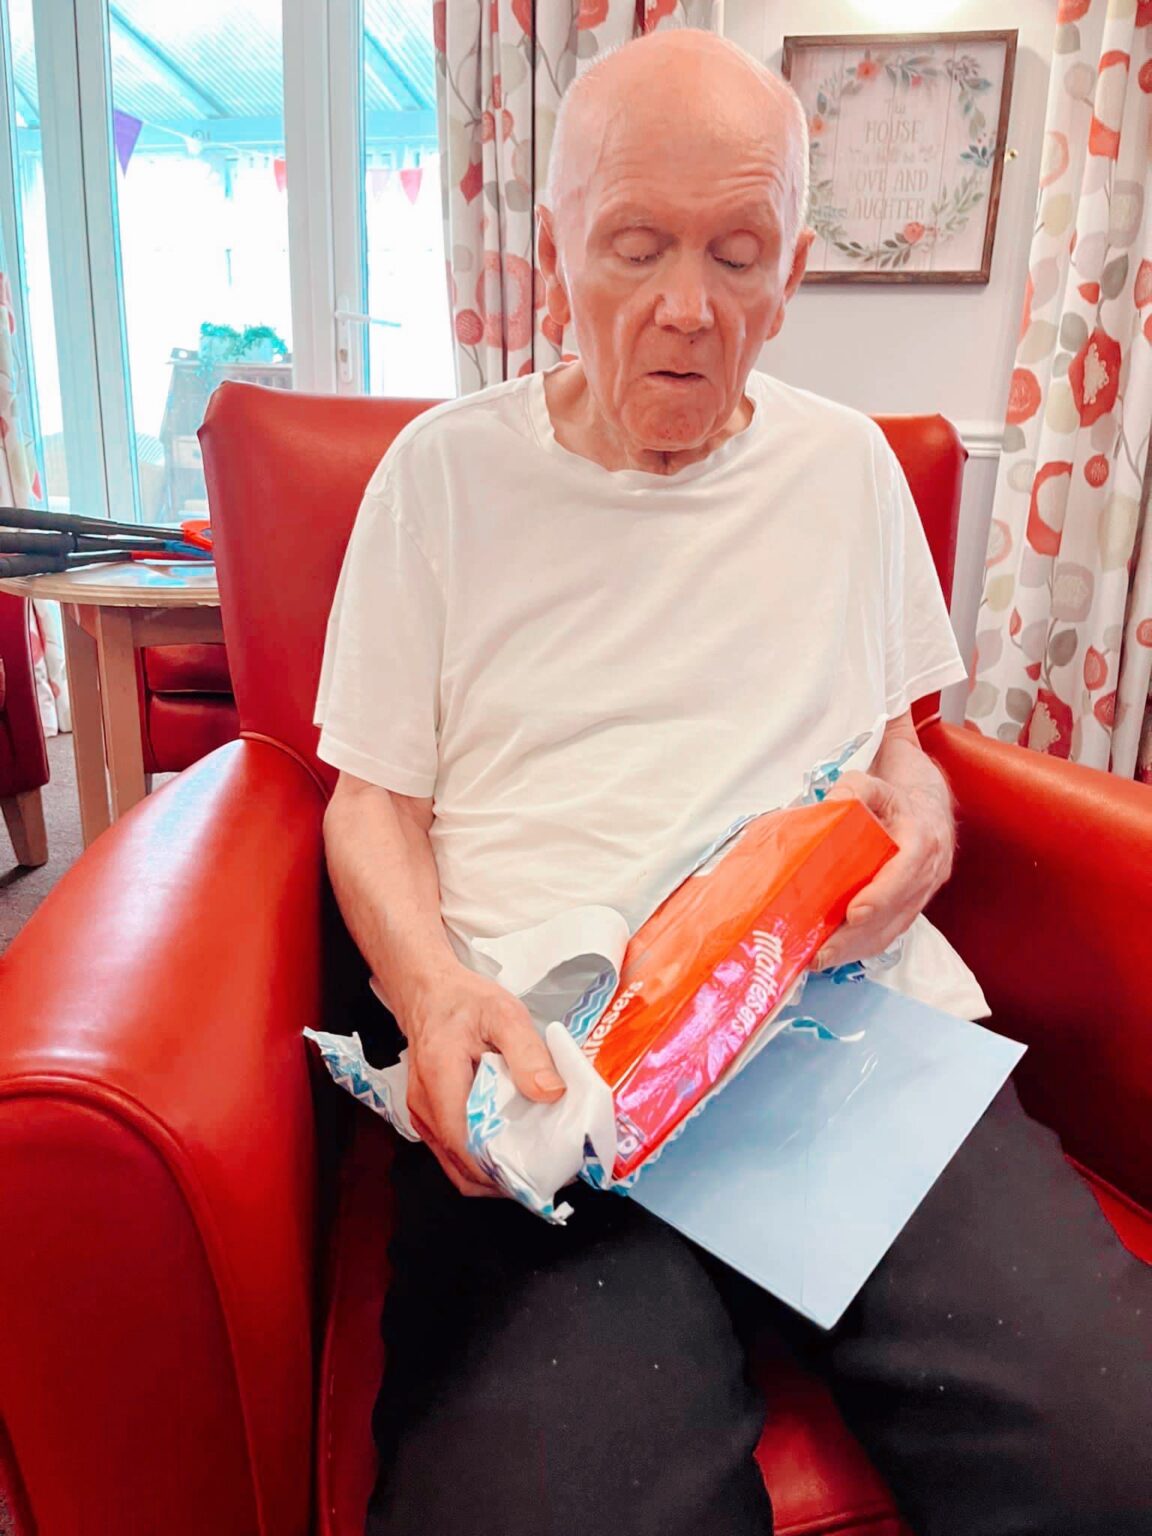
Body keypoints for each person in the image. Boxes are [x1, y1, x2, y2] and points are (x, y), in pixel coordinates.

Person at [314, 28, 1152, 1536]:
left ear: (796, 271)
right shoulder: (440, 478)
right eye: (635, 248)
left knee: (1120, 1449)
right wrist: (434, 996)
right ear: (555, 249)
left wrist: (924, 830)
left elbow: (900, 747)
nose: (687, 310)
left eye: (739, 256)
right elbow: (368, 803)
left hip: (833, 1040)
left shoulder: (848, 472)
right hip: (553, 1065)